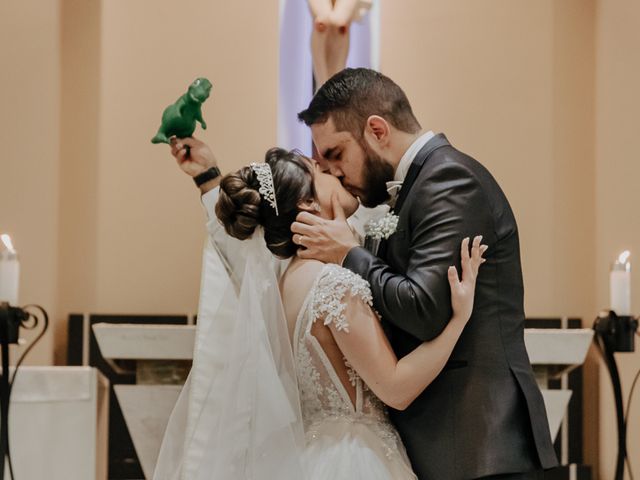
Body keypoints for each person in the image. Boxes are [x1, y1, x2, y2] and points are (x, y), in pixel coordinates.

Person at [154, 143, 486, 480]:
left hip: (313, 455)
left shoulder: (286, 282)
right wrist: (458, 320)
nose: (335, 173)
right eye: (323, 172)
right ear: (307, 203)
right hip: (356, 460)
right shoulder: (332, 284)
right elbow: (396, 389)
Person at [291, 67, 558, 479]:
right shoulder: (412, 188)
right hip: (448, 447)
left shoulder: (449, 179)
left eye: (337, 154)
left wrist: (350, 255)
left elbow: (425, 308)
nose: (335, 171)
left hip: (478, 447)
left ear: (377, 130)